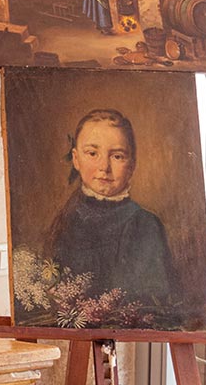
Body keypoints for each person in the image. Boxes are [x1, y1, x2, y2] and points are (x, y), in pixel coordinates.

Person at [46, 108, 176, 310]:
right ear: (76, 159)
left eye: (117, 156)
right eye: (92, 153)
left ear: (132, 165)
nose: (104, 167)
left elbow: (152, 299)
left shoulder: (145, 224)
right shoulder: (65, 218)